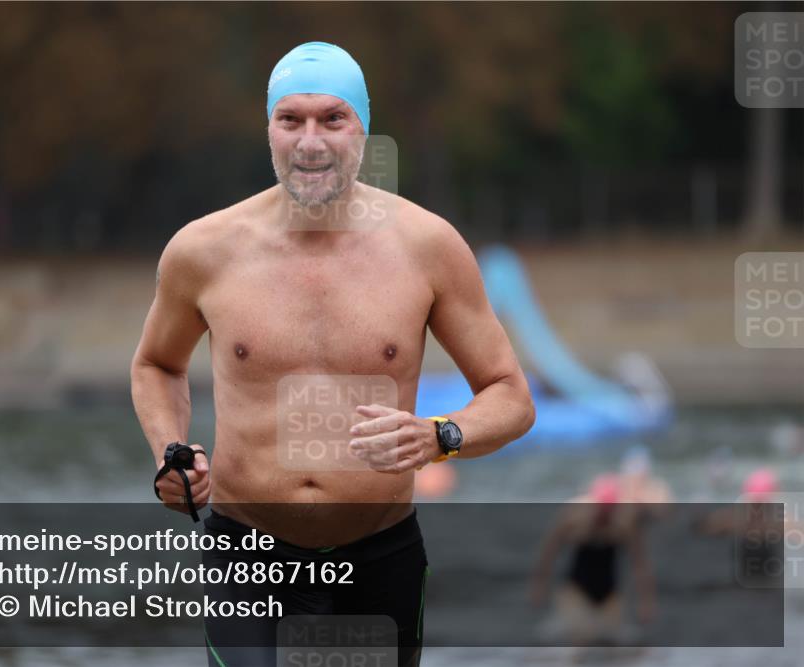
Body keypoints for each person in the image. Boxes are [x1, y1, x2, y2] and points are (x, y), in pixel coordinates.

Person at [131, 41, 535, 666]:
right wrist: (171, 452)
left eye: (332, 119)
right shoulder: (203, 250)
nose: (310, 141)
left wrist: (442, 435)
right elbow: (157, 365)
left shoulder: (427, 246)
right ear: (269, 129)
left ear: (363, 130)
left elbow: (510, 394)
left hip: (378, 558)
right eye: (291, 119)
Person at [531, 474, 656, 646]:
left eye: (609, 512)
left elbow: (640, 563)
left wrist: (646, 602)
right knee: (579, 638)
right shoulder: (573, 516)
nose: (603, 517)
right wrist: (539, 585)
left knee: (612, 643)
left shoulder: (625, 523)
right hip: (577, 589)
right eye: (600, 511)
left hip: (609, 591)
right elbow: (549, 552)